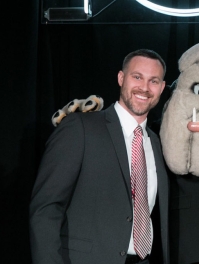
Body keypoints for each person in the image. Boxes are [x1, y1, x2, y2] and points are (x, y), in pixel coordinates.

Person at [30, 49, 170, 264]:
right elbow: (46, 208)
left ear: (161, 87)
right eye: (137, 77)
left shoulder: (157, 143)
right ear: (121, 78)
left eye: (154, 81)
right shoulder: (80, 127)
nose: (144, 87)